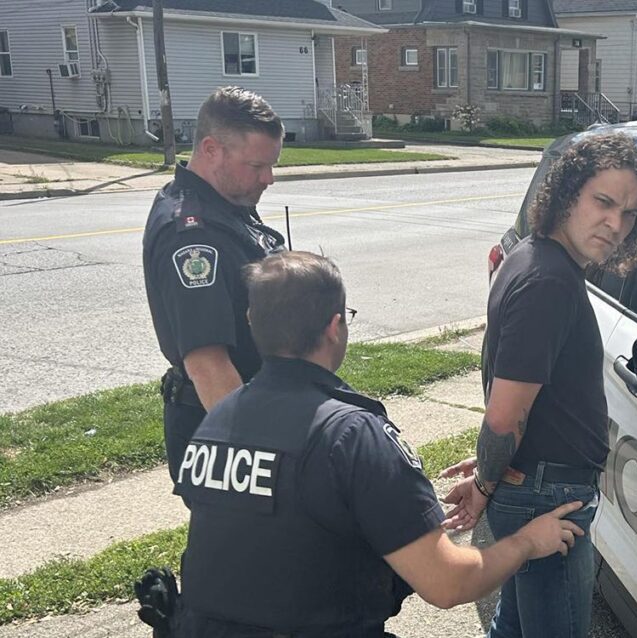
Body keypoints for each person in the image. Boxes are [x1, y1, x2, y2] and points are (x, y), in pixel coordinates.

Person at [168, 251, 588, 638]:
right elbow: (447, 583)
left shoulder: (216, 421)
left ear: (252, 322)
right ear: (334, 327)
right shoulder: (351, 437)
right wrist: (527, 541)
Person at [441, 132, 637, 638]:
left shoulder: (531, 255)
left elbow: (520, 396)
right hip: (546, 497)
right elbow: (504, 417)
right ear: (567, 194)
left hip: (533, 481)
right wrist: (485, 485)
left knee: (515, 625)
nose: (615, 224)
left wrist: (494, 468)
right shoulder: (549, 282)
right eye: (603, 202)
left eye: (629, 213)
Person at [142, 86, 286, 484]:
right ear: (211, 150)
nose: (268, 178)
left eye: (271, 165)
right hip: (227, 431)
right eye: (256, 166)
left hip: (253, 409)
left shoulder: (227, 204)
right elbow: (208, 365)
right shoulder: (192, 236)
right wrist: (267, 453)